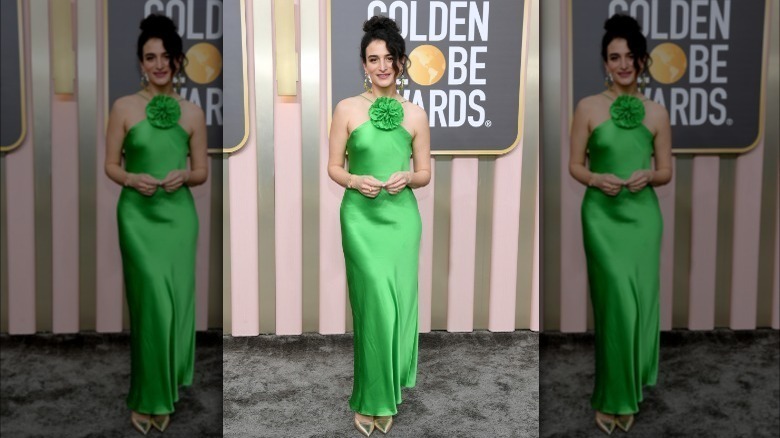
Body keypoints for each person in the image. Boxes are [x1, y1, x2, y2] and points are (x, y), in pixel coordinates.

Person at [327, 15, 431, 437]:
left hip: (401, 220)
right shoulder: (347, 109)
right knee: (374, 308)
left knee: (397, 307)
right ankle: (372, 397)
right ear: (364, 65)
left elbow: (424, 173)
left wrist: (407, 177)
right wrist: (354, 179)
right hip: (360, 219)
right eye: (374, 59)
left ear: (402, 62)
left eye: (389, 58)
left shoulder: (416, 115)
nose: (382, 66)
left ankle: (387, 391)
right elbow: (334, 167)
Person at [104, 14, 208, 435]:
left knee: (173, 306)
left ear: (179, 61)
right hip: (137, 218)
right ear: (141, 63)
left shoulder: (192, 113)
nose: (159, 64)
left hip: (178, 218)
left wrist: (184, 175)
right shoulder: (124, 108)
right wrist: (131, 178)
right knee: (150, 307)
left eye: (166, 56)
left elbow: (201, 172)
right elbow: (111, 165)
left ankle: (164, 389)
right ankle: (148, 395)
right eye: (151, 57)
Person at [569, 14, 672, 435]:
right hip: (602, 217)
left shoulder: (657, 113)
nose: (623, 64)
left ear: (643, 61)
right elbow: (575, 165)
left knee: (639, 306)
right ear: (605, 63)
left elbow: (665, 171)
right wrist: (596, 178)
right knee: (615, 307)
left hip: (643, 218)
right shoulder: (588, 107)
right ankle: (613, 395)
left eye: (631, 56)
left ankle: (628, 390)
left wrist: (649, 175)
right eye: (615, 57)